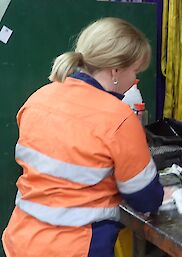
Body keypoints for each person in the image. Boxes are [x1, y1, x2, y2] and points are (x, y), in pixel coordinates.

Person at [2, 17, 164, 257]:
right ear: (116, 70)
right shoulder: (117, 117)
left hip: (21, 241)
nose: (135, 80)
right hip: (77, 247)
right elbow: (145, 198)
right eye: (135, 71)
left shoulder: (38, 99)